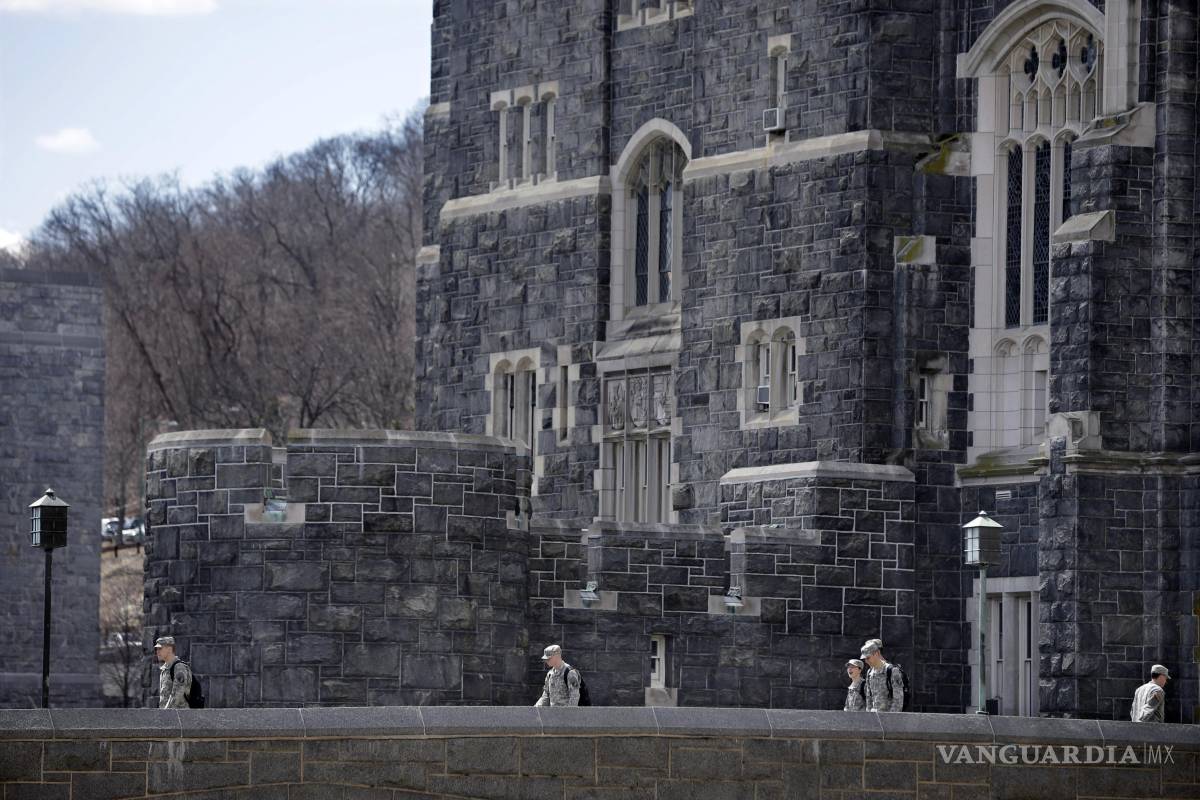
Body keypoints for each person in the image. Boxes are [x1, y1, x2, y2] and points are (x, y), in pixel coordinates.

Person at [861, 638, 905, 712]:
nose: (866, 661)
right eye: (865, 658)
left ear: (877, 653)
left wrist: (889, 717)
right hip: (873, 716)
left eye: (868, 658)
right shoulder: (869, 672)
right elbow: (869, 698)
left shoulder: (892, 671)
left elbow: (898, 701)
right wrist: (868, 715)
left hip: (888, 717)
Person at [155, 636, 191, 709]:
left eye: (160, 648)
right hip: (168, 714)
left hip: (179, 714)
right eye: (156, 649)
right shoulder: (164, 669)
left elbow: (177, 695)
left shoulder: (179, 667)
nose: (157, 651)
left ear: (169, 649)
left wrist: (166, 713)